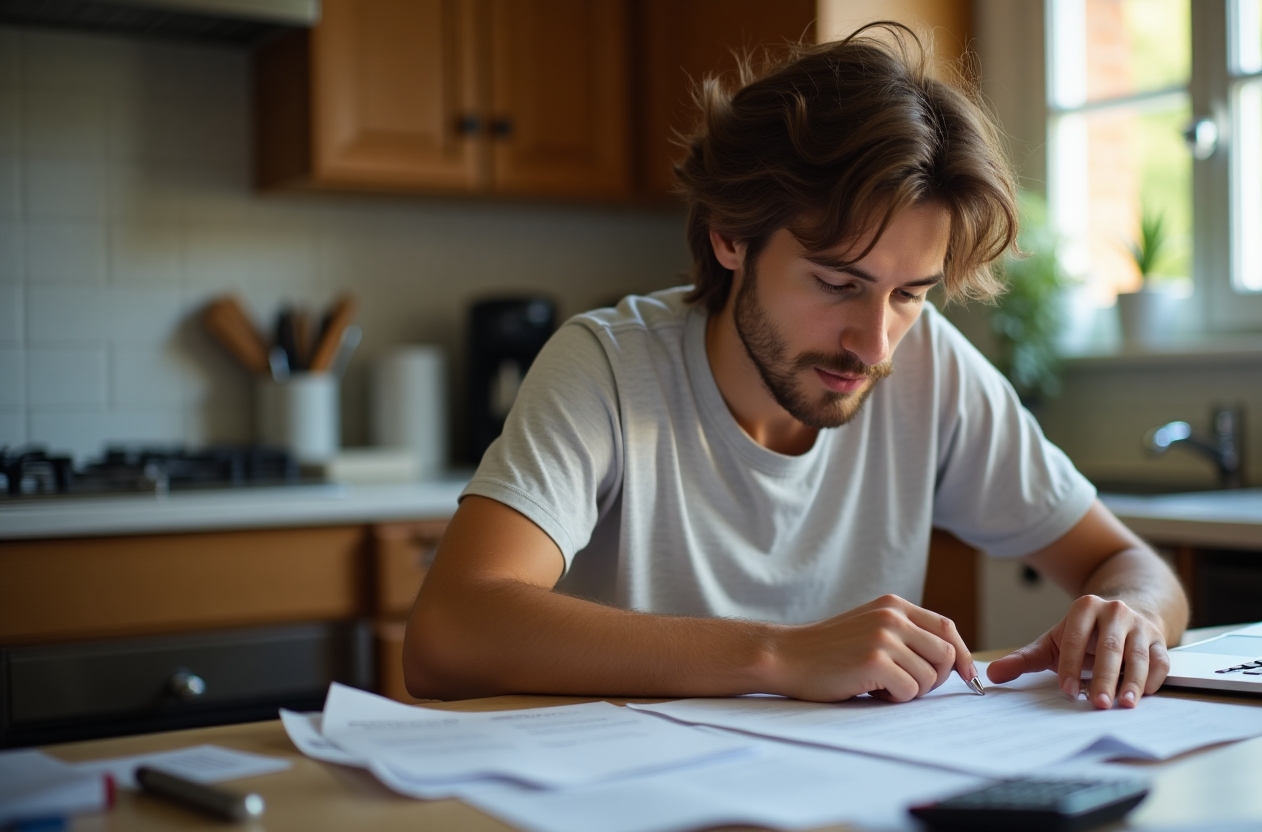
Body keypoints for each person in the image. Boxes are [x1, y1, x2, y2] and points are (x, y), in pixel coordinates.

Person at [404, 24, 1187, 710]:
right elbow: (448, 635)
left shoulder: (929, 367)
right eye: (838, 284)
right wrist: (780, 654)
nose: (875, 345)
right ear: (730, 237)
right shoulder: (608, 365)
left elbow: (1129, 565)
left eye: (910, 295)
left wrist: (1133, 617)